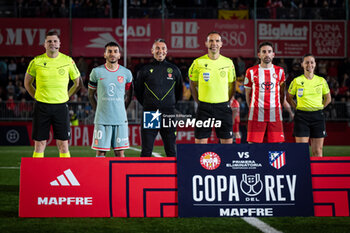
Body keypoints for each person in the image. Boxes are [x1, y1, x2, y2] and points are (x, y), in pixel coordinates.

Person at [24, 31, 81, 158]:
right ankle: (37, 174)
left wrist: (67, 96)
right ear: (44, 44)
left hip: (60, 107)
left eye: (55, 41)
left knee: (63, 144)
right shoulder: (36, 61)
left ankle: (65, 173)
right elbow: (27, 83)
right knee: (39, 144)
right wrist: (37, 96)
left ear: (59, 44)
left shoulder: (68, 61)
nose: (52, 43)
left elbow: (77, 83)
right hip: (41, 106)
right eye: (49, 41)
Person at [134, 38, 183, 157]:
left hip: (168, 113)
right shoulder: (144, 70)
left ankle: (174, 176)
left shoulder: (175, 70)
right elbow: (138, 92)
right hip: (150, 113)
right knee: (146, 150)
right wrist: (149, 104)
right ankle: (143, 175)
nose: (160, 51)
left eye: (163, 48)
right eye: (157, 48)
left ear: (166, 51)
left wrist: (168, 105)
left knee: (171, 150)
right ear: (152, 51)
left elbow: (179, 92)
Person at [189, 31, 236, 144]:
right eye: (211, 41)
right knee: (200, 145)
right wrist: (199, 101)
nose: (214, 43)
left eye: (217, 41)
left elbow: (232, 85)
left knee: (227, 145)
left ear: (221, 44)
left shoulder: (228, 63)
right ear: (206, 43)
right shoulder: (197, 62)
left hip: (223, 108)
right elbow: (193, 84)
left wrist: (226, 102)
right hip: (204, 108)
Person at [88, 42, 133, 157]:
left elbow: (129, 94)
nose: (112, 54)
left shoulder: (126, 73)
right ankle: (99, 175)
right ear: (104, 54)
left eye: (115, 51)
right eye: (109, 51)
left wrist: (124, 109)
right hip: (102, 120)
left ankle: (120, 176)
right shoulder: (96, 72)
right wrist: (97, 110)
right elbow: (90, 94)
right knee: (101, 153)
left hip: (120, 120)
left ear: (119, 55)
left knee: (119, 153)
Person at [287, 54, 331, 157]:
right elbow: (288, 98)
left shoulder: (321, 80)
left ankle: (318, 173)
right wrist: (296, 107)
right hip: (301, 117)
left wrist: (319, 108)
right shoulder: (297, 81)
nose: (309, 64)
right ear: (302, 64)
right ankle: (302, 173)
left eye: (312, 62)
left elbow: (328, 99)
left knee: (318, 151)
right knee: (301, 151)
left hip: (318, 117)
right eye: (306, 62)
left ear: (315, 64)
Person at [244, 41, 285, 143]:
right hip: (256, 112)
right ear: (259, 55)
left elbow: (282, 94)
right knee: (253, 144)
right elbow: (247, 94)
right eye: (264, 52)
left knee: (277, 145)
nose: (267, 54)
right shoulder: (251, 71)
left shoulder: (280, 71)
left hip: (275, 113)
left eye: (269, 51)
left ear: (273, 54)